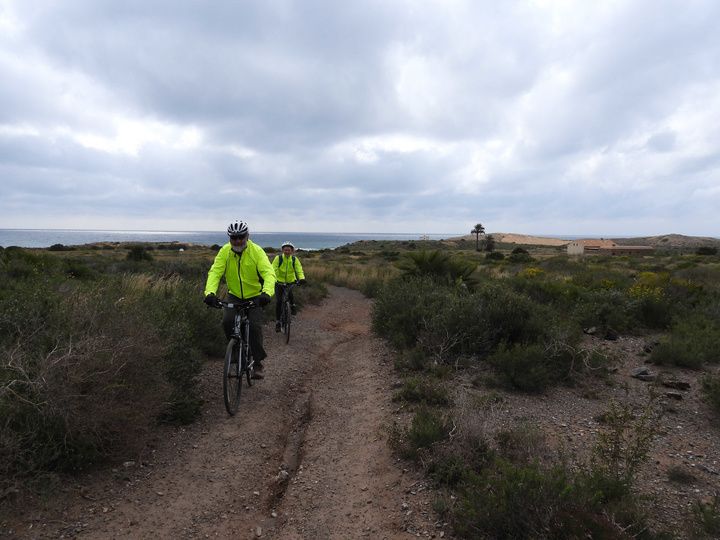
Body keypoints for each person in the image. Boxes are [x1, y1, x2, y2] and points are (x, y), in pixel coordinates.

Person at [204, 220, 276, 379]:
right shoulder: (225, 252)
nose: (237, 240)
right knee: (227, 321)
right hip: (235, 295)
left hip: (256, 296)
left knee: (254, 326)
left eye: (241, 237)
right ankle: (235, 350)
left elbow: (268, 273)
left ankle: (257, 362)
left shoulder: (256, 251)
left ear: (247, 236)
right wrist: (210, 293)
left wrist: (266, 293)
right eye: (234, 237)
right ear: (230, 238)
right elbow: (215, 272)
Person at [272, 241, 306, 332]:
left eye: (289, 250)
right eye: (285, 250)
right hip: (279, 282)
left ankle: (293, 305)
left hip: (290, 281)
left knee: (290, 293)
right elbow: (273, 269)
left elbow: (299, 269)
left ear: (292, 251)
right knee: (279, 301)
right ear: (283, 250)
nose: (287, 252)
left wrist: (301, 278)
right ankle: (278, 322)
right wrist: (273, 279)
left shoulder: (294, 259)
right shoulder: (278, 258)